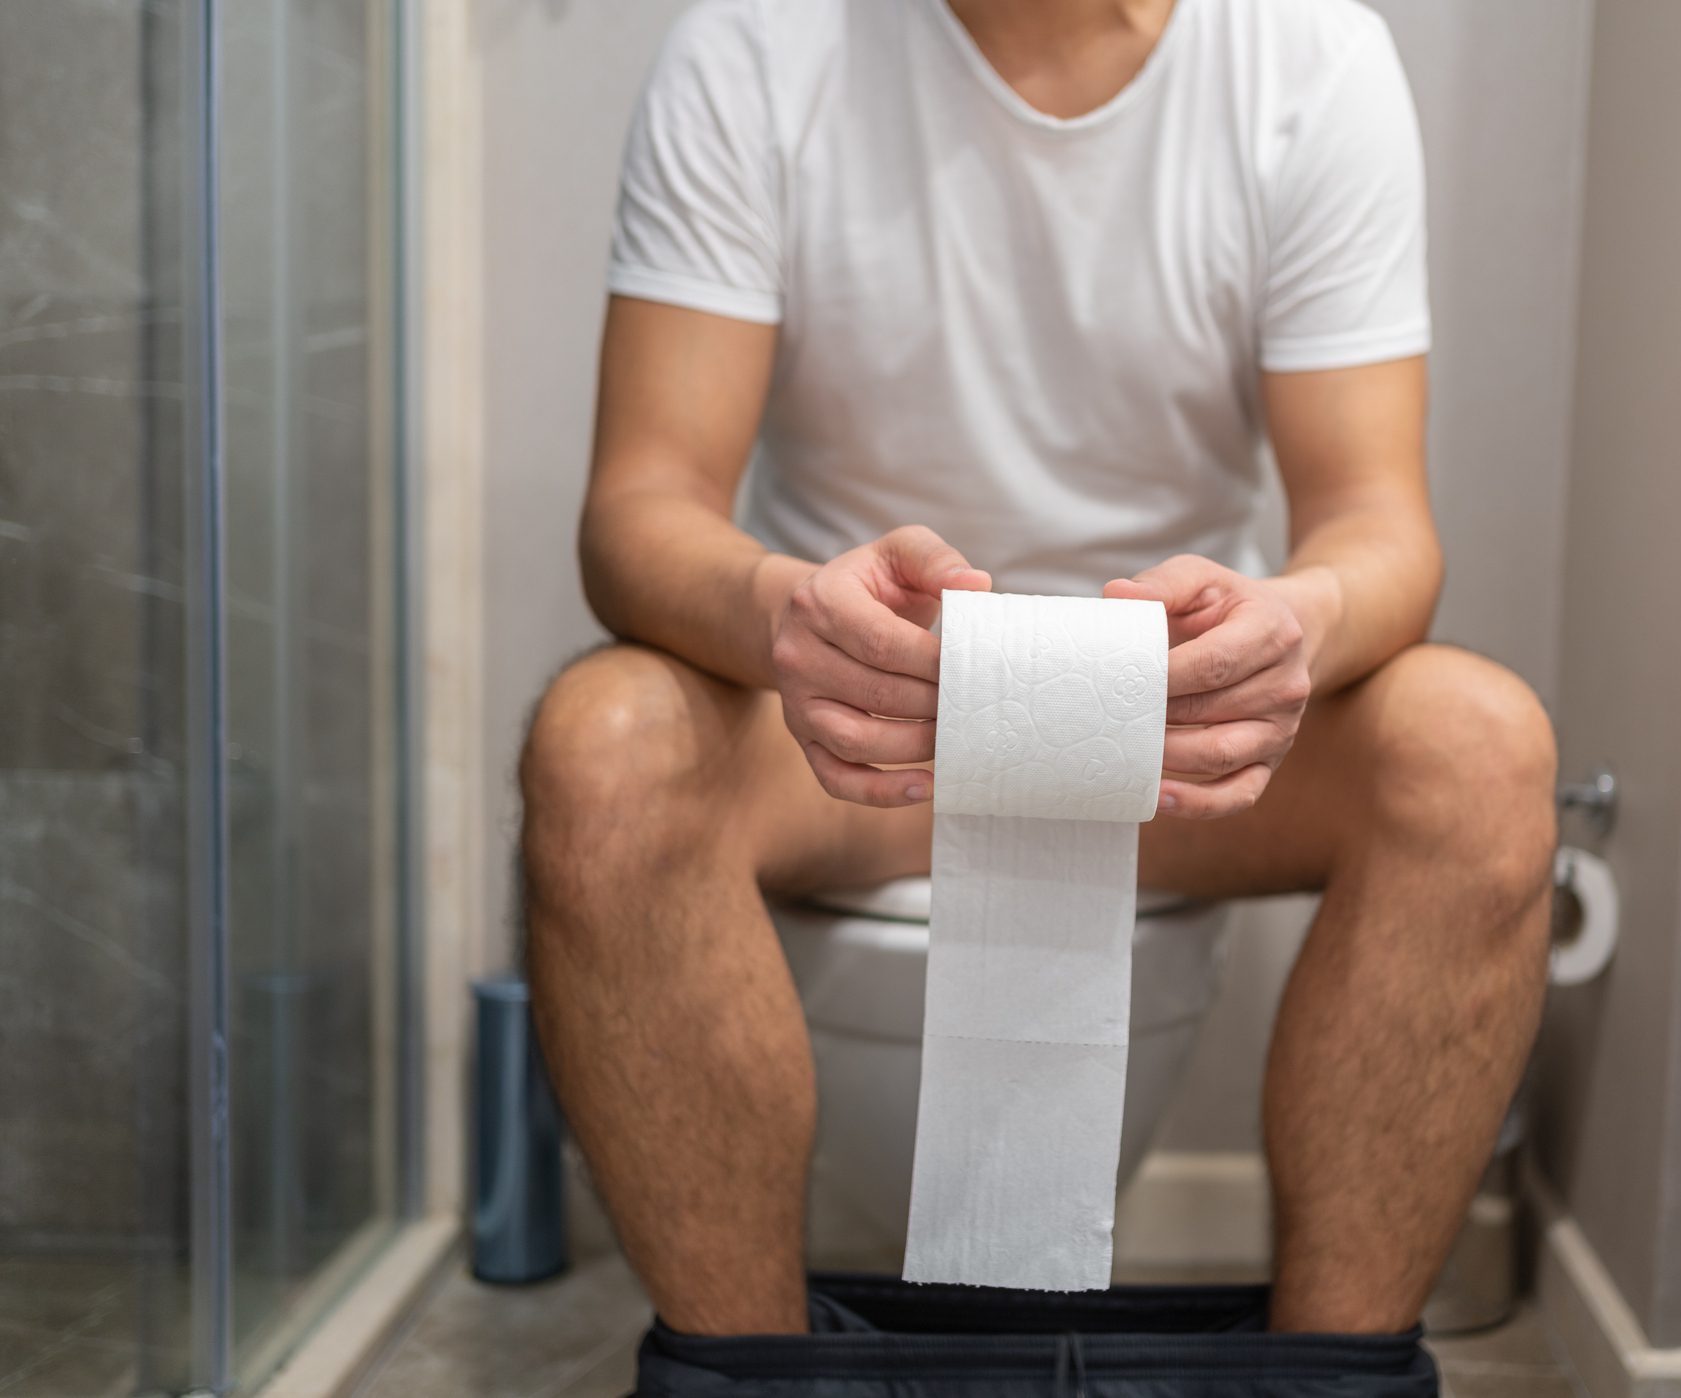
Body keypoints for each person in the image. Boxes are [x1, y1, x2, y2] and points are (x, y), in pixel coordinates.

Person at [520, 0, 1556, 1339]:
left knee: (1481, 746)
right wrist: (787, 611)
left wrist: (1295, 620)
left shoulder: (1306, 60)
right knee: (599, 745)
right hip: (864, 741)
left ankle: (1331, 1373)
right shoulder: (757, 45)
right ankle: (750, 1371)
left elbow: (1380, 521)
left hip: (1166, 747)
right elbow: (639, 504)